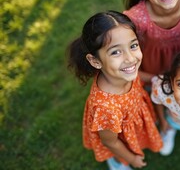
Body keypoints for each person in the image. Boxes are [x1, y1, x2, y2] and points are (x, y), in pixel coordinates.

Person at [67, 11, 162, 170]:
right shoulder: (106, 108)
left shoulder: (123, 72)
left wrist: (155, 78)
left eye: (133, 45)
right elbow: (110, 141)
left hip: (133, 115)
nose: (130, 58)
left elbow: (137, 75)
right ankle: (117, 162)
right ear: (95, 61)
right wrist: (132, 159)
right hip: (117, 135)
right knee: (117, 151)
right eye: (116, 52)